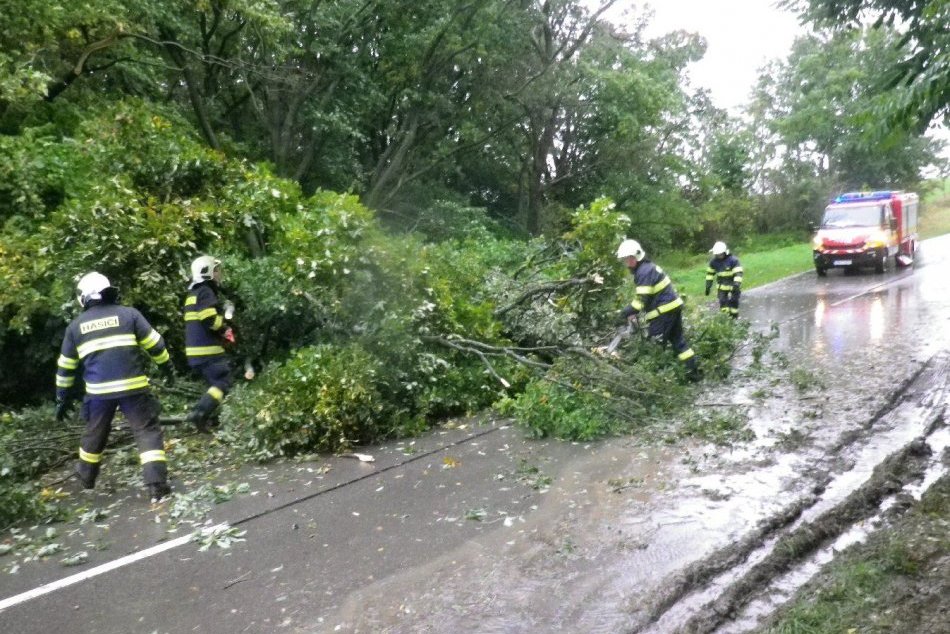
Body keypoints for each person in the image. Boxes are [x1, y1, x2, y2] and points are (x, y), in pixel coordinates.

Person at [55, 272, 174, 502]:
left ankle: (86, 481)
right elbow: (156, 344)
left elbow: (65, 367)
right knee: (147, 431)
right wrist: (167, 368)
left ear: (85, 297)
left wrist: (62, 398)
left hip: (99, 393)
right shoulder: (129, 314)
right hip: (134, 388)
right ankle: (157, 487)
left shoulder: (75, 327)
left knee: (94, 434)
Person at [616, 239, 700, 380]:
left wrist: (623, 314)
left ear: (634, 257)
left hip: (664, 313)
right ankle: (693, 374)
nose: (626, 263)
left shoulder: (643, 272)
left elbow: (641, 301)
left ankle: (656, 382)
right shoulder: (648, 268)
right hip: (672, 309)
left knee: (654, 346)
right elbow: (645, 299)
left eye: (626, 259)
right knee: (679, 342)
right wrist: (633, 313)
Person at [183, 255, 234, 431]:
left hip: (196, 352)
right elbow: (209, 319)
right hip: (207, 352)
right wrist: (225, 321)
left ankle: (207, 420)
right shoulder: (206, 292)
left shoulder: (193, 293)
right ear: (208, 273)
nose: (219, 274)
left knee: (213, 386)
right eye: (216, 270)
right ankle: (199, 414)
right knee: (223, 382)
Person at [705, 241, 743, 318]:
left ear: (725, 252)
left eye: (720, 254)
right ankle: (725, 318)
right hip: (721, 287)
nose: (719, 256)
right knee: (723, 303)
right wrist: (708, 286)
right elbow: (710, 275)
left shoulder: (733, 260)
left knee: (734, 303)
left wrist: (737, 284)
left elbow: (738, 273)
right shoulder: (713, 262)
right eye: (717, 254)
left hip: (734, 286)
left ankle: (734, 318)